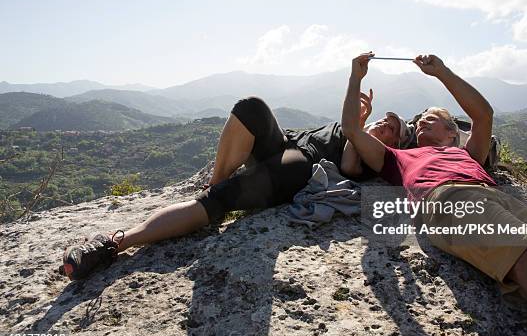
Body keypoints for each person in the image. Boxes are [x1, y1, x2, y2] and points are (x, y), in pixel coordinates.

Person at [341, 52, 527, 336]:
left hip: (495, 200)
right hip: (455, 198)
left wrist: (442, 72)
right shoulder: (399, 158)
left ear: (451, 133)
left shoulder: (468, 154)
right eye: (418, 122)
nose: (420, 124)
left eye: (430, 120)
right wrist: (356, 78)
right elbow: (352, 131)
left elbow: (483, 114)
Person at [60, 93, 410, 280]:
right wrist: (355, 124)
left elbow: (348, 167)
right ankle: (215, 188)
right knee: (251, 106)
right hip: (286, 144)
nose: (384, 123)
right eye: (386, 117)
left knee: (220, 200)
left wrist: (357, 130)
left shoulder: (372, 155)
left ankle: (114, 244)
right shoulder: (355, 128)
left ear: (396, 143)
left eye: (392, 127)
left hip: (299, 167)